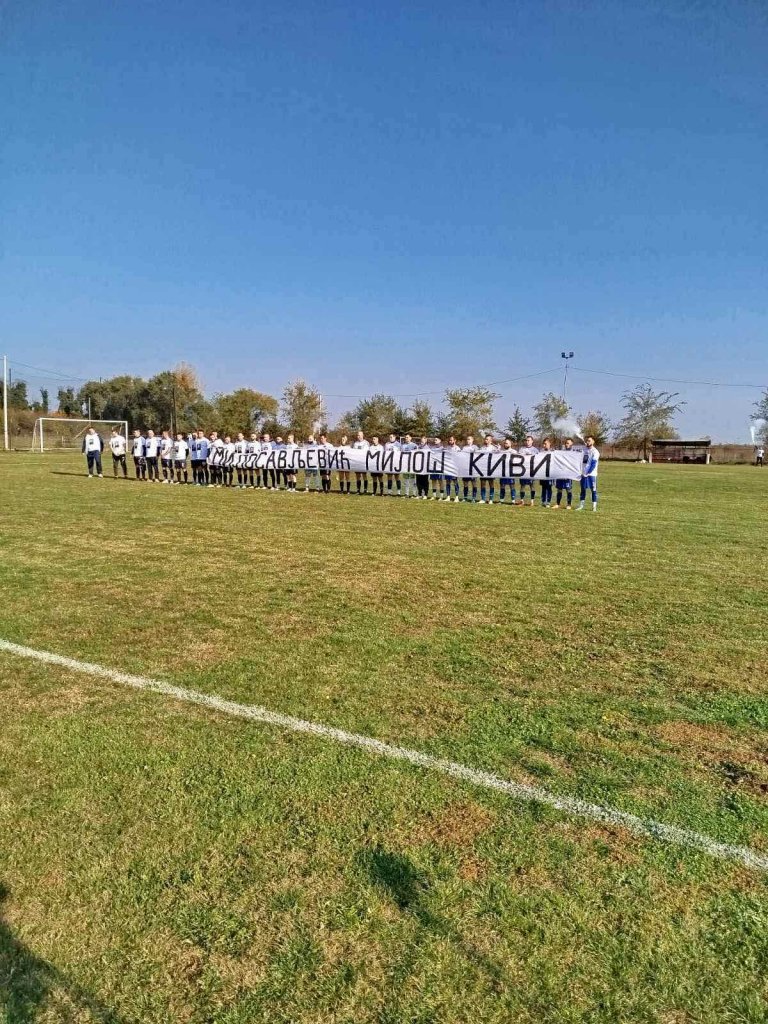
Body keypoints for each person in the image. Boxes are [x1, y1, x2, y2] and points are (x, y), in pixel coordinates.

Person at [577, 435, 599, 511]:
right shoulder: (584, 449)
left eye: (589, 441)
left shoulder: (595, 452)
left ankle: (594, 507)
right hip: (583, 473)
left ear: (593, 441)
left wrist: (588, 472)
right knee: (583, 489)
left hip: (591, 474)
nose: (587, 442)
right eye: (587, 441)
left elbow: (593, 463)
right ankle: (581, 506)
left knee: (593, 490)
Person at [517, 435, 539, 506]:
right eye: (526, 440)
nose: (527, 442)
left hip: (531, 470)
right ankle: (522, 501)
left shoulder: (535, 450)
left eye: (529, 440)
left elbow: (538, 460)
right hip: (523, 470)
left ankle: (532, 501)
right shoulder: (521, 449)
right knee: (522, 485)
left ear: (532, 441)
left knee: (532, 486)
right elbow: (518, 458)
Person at [554, 437, 575, 510]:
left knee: (568, 489)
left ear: (572, 444)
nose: (566, 444)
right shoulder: (562, 452)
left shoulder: (574, 453)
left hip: (568, 474)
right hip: (561, 473)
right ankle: (557, 504)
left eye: (568, 443)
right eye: (566, 443)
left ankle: (569, 505)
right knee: (559, 489)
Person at [479, 434, 498, 504]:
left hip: (491, 468)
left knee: (491, 484)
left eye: (487, 439)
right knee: (482, 483)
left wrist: (498, 449)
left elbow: (498, 454)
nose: (485, 440)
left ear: (490, 441)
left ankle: (491, 499)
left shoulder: (493, 448)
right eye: (485, 439)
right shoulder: (482, 448)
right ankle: (483, 499)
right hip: (483, 468)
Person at [498, 438, 517, 505]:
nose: (505, 444)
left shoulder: (514, 451)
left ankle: (513, 501)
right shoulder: (502, 452)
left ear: (510, 444)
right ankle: (501, 500)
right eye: (504, 443)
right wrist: (498, 449)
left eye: (506, 443)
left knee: (512, 486)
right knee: (502, 486)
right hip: (503, 471)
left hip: (510, 471)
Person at [461, 435, 478, 502]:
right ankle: (465, 497)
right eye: (467, 439)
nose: (468, 440)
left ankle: (473, 498)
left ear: (472, 440)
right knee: (465, 483)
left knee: (474, 483)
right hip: (466, 468)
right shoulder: (464, 447)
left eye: (469, 439)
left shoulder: (475, 447)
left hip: (473, 468)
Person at [444, 435, 461, 502]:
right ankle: (448, 496)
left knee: (455, 481)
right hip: (448, 467)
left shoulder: (457, 448)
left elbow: (459, 457)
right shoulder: (447, 448)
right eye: (449, 440)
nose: (450, 441)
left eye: (451, 440)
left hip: (454, 467)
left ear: (455, 440)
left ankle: (457, 497)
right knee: (447, 481)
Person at [400, 433, 417, 498]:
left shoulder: (414, 445)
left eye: (407, 437)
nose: (406, 438)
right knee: (406, 480)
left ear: (410, 438)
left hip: (412, 465)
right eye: (405, 437)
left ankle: (414, 494)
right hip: (405, 465)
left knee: (413, 480)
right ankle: (406, 493)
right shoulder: (402, 446)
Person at [539, 438, 554, 507]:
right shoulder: (541, 453)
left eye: (545, 444)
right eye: (543, 444)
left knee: (549, 487)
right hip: (543, 472)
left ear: (549, 444)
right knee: (543, 487)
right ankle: (543, 501)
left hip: (550, 473)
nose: (544, 445)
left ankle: (548, 502)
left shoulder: (553, 452)